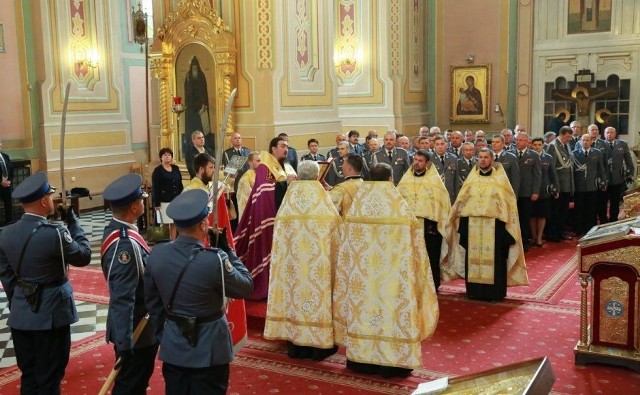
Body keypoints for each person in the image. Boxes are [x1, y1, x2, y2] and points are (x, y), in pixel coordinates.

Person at [334, 163, 439, 378]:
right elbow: (416, 244)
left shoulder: (359, 207)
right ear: (390, 178)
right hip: (393, 278)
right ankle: (392, 363)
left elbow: (345, 246)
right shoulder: (398, 205)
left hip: (362, 279)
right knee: (392, 314)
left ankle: (362, 360)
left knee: (364, 311)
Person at [144, 189, 253, 395]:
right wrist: (227, 249)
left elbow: (153, 303)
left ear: (176, 225)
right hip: (209, 350)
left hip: (174, 345)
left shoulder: (157, 254)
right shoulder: (214, 258)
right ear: (204, 224)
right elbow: (245, 286)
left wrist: (164, 334)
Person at [0, 172, 91, 394]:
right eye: (50, 197)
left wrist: (23, 301)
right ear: (43, 201)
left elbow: (8, 278)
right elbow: (84, 255)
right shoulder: (55, 233)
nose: (52, 200)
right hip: (51, 316)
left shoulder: (5, 233)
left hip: (21, 316)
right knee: (50, 376)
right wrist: (73, 221)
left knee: (29, 376)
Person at [264, 160, 342, 360]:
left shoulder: (290, 200)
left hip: (293, 267)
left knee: (294, 298)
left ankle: (295, 346)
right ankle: (318, 348)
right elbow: (336, 233)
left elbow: (279, 236)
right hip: (318, 269)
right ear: (317, 176)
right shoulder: (322, 200)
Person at [444, 149, 528, 301]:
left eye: (486, 157)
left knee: (496, 260)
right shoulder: (471, 180)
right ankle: (474, 292)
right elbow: (462, 202)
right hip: (472, 226)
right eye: (480, 157)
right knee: (473, 259)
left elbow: (508, 205)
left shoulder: (500, 180)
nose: (482, 160)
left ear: (492, 159)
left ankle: (494, 293)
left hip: (495, 227)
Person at [101, 174, 158, 394]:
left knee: (136, 384)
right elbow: (123, 297)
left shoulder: (116, 228)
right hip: (137, 332)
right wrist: (126, 344)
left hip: (137, 328)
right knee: (131, 385)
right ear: (134, 208)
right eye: (141, 200)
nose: (143, 202)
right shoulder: (125, 245)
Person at [234, 137, 297, 300]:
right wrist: (285, 184)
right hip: (267, 217)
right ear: (273, 148)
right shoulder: (264, 166)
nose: (286, 149)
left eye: (287, 147)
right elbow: (265, 191)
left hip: (281, 216)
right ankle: (265, 285)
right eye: (283, 146)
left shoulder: (283, 166)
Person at [397, 150, 452, 291]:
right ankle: (412, 284)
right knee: (410, 256)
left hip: (430, 227)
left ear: (427, 163)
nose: (416, 163)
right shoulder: (405, 181)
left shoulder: (435, 182)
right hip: (410, 226)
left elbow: (442, 204)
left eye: (420, 160)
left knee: (430, 256)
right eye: (415, 160)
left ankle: (432, 285)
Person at [572, 134, 607, 235]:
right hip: (579, 186)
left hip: (592, 186)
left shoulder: (597, 152)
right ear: (580, 141)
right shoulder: (574, 153)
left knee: (591, 209)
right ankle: (578, 229)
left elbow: (601, 169)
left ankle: (589, 229)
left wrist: (603, 182)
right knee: (578, 209)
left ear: (591, 141)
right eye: (583, 140)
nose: (585, 142)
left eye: (587, 140)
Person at [545, 126, 575, 241]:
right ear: (561, 134)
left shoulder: (565, 145)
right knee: (555, 211)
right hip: (558, 185)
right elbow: (551, 168)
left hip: (566, 185)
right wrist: (555, 186)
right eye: (568, 136)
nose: (569, 139)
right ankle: (552, 234)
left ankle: (560, 232)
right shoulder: (552, 146)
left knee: (563, 211)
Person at [514, 133, 541, 249]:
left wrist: (535, 191)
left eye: (521, 140)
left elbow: (537, 175)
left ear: (526, 142)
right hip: (513, 192)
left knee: (525, 219)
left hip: (526, 192)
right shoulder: (510, 154)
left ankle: (524, 243)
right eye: (517, 140)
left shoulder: (534, 155)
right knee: (514, 219)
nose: (518, 142)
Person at [530, 137, 558, 247]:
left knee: (542, 215)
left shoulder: (548, 157)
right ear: (532, 145)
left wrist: (556, 188)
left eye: (539, 145)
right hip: (531, 189)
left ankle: (540, 237)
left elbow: (553, 174)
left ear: (543, 145)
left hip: (544, 190)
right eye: (535, 145)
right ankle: (533, 236)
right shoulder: (529, 156)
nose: (537, 147)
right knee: (532, 215)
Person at [183, 56, 213, 157]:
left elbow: (204, 91)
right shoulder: (188, 76)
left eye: (196, 68)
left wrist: (203, 105)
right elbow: (187, 92)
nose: (194, 70)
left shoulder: (201, 76)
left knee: (201, 129)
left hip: (201, 109)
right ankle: (191, 149)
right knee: (191, 129)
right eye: (193, 68)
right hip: (191, 110)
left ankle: (203, 149)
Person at [152, 148, 184, 240]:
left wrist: (182, 197)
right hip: (164, 201)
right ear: (161, 157)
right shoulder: (158, 171)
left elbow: (180, 184)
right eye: (165, 155)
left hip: (175, 200)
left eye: (169, 155)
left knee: (174, 222)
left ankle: (173, 241)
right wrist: (156, 203)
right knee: (165, 223)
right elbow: (156, 188)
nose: (167, 156)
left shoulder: (175, 168)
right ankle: (165, 242)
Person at [603, 127, 634, 222]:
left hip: (617, 178)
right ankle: (603, 220)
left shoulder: (622, 144)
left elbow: (629, 161)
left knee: (615, 202)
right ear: (604, 134)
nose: (609, 134)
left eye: (611, 132)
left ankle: (613, 220)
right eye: (607, 133)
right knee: (602, 202)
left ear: (615, 133)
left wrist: (629, 173)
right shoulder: (600, 144)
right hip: (604, 179)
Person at [431, 136, 459, 204]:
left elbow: (456, 180)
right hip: (435, 197)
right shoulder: (430, 160)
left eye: (442, 144)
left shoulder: (453, 158)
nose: (440, 147)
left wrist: (457, 197)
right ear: (434, 145)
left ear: (446, 144)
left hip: (450, 197)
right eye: (437, 144)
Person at [235, 151, 261, 221]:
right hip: (252, 215)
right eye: (258, 161)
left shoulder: (261, 175)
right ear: (250, 162)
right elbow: (245, 202)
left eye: (261, 160)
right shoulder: (245, 178)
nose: (261, 163)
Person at [0, 140, 13, 225]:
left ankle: (9, 222)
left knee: (8, 204)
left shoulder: (5, 156)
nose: (0, 145)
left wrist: (9, 181)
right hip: (0, 185)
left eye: (0, 143)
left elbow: (11, 170)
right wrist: (0, 182)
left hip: (7, 185)